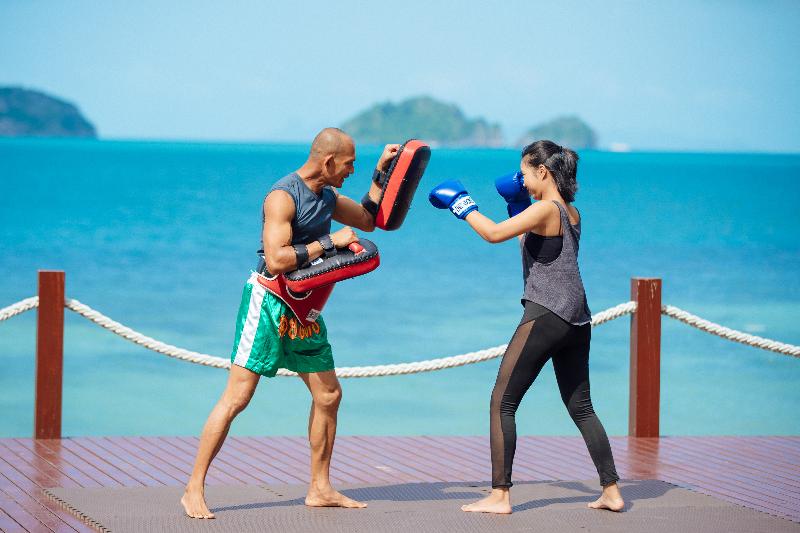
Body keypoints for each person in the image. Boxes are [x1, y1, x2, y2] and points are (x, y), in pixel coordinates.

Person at [181, 128, 399, 519]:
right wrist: (329, 242)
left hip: (306, 310)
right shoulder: (283, 197)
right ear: (328, 162)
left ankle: (320, 488)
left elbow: (368, 219)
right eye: (349, 164)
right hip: (268, 303)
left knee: (329, 395)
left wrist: (382, 172)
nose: (351, 170)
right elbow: (277, 258)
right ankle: (193, 488)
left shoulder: (328, 197)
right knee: (237, 397)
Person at [429, 140, 625, 514]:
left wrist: (462, 204)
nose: (520, 180)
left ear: (542, 172)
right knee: (581, 407)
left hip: (546, 314)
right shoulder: (570, 212)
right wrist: (516, 204)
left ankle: (499, 495)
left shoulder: (545, 209)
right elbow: (530, 244)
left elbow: (493, 234)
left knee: (502, 402)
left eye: (524, 173)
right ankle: (612, 490)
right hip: (578, 319)